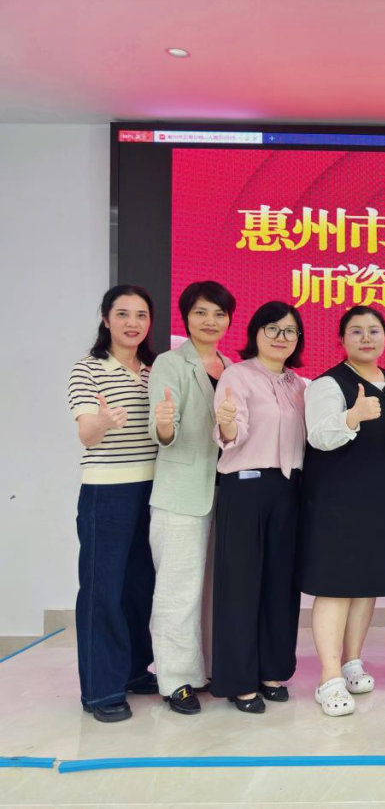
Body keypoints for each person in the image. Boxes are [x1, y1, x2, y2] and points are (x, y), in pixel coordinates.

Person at [299, 306, 385, 717]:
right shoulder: (328, 384)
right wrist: (352, 416)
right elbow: (318, 436)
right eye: (356, 331)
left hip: (380, 502)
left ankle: (351, 662)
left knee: (365, 586)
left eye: (374, 331)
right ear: (341, 339)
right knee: (335, 586)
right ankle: (328, 678)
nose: (366, 338)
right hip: (336, 502)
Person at [67, 284, 159, 722]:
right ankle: (101, 691)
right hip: (107, 491)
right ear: (106, 319)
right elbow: (87, 434)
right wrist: (102, 422)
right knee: (103, 589)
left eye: (141, 315)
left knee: (140, 587)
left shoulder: (155, 370)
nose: (132, 323)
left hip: (153, 489)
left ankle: (136, 671)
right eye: (122, 314)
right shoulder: (87, 369)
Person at [210, 301, 307, 714]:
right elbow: (233, 433)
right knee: (240, 585)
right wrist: (227, 420)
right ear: (256, 332)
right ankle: (239, 681)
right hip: (246, 488)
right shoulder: (237, 375)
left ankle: (272, 671)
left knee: (280, 585)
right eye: (272, 329)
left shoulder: (302, 385)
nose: (281, 337)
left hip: (291, 489)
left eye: (289, 331)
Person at [147, 280, 235, 714]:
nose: (210, 321)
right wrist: (164, 423)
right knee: (177, 589)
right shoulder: (170, 363)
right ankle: (176, 679)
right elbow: (163, 432)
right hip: (181, 492)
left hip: (226, 491)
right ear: (186, 316)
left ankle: (209, 669)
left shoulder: (231, 366)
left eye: (219, 313)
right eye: (201, 312)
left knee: (214, 591)